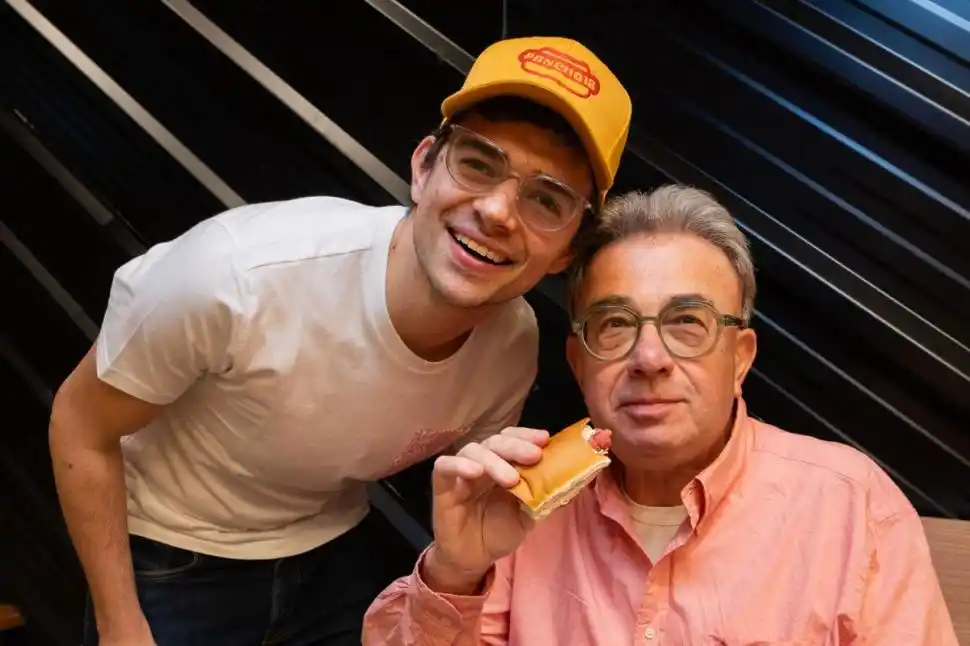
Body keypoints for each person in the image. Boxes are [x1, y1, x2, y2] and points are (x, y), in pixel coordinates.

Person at [47, 36, 632, 645]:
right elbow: (80, 426)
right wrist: (120, 625)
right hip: (175, 553)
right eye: (478, 164)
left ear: (566, 251)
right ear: (423, 166)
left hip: (331, 550)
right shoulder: (235, 276)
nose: (497, 212)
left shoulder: (511, 344)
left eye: (546, 200)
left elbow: (478, 508)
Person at [362, 185, 958, 645]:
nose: (649, 359)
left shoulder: (850, 505)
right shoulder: (521, 501)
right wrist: (455, 573)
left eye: (687, 323)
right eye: (615, 324)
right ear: (579, 362)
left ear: (740, 358)